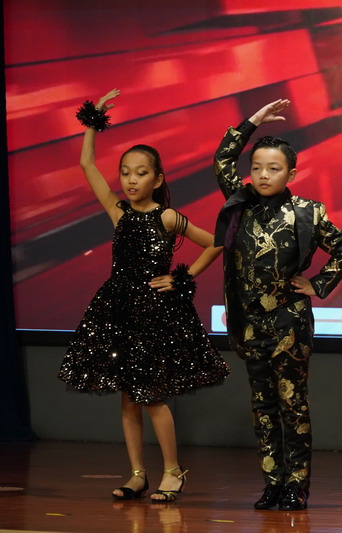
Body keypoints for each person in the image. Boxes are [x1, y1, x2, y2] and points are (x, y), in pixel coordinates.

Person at [58, 89, 230, 503]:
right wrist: (93, 122)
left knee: (152, 397)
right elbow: (86, 164)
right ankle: (137, 474)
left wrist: (182, 277)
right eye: (126, 173)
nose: (131, 180)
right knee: (128, 399)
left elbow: (217, 242)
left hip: (155, 316)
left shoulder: (167, 217)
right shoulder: (117, 213)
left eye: (140, 173)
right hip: (118, 311)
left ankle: (173, 471)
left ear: (158, 178)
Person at [213, 99, 342, 511]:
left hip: (289, 323)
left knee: (293, 404)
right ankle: (272, 482)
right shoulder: (240, 203)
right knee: (262, 406)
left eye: (273, 168)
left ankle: (297, 485)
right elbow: (223, 158)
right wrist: (252, 121)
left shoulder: (307, 212)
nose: (263, 175)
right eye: (257, 167)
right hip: (249, 323)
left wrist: (317, 284)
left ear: (291, 174)